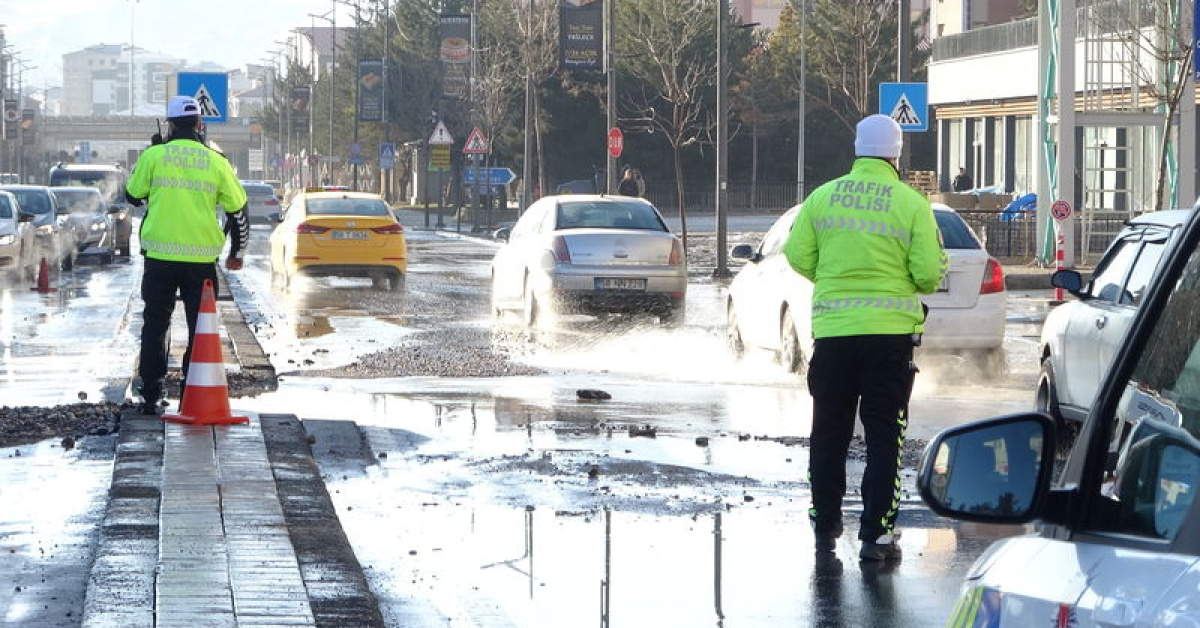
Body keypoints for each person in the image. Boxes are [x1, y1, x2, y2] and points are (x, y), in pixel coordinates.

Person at [782, 114, 947, 562]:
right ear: (895, 154)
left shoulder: (823, 197)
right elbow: (929, 275)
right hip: (889, 340)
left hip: (834, 336)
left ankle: (825, 523)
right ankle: (876, 534)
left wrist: (833, 279)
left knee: (828, 432)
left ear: (856, 149)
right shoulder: (911, 203)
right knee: (883, 435)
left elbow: (797, 254)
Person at [126, 95, 249, 415]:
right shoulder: (216, 161)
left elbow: (132, 195)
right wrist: (237, 251)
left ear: (169, 124)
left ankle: (151, 392)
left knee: (155, 323)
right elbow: (239, 211)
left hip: (160, 259)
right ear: (199, 124)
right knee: (200, 327)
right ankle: (189, 392)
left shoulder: (154, 155)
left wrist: (152, 155)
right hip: (200, 263)